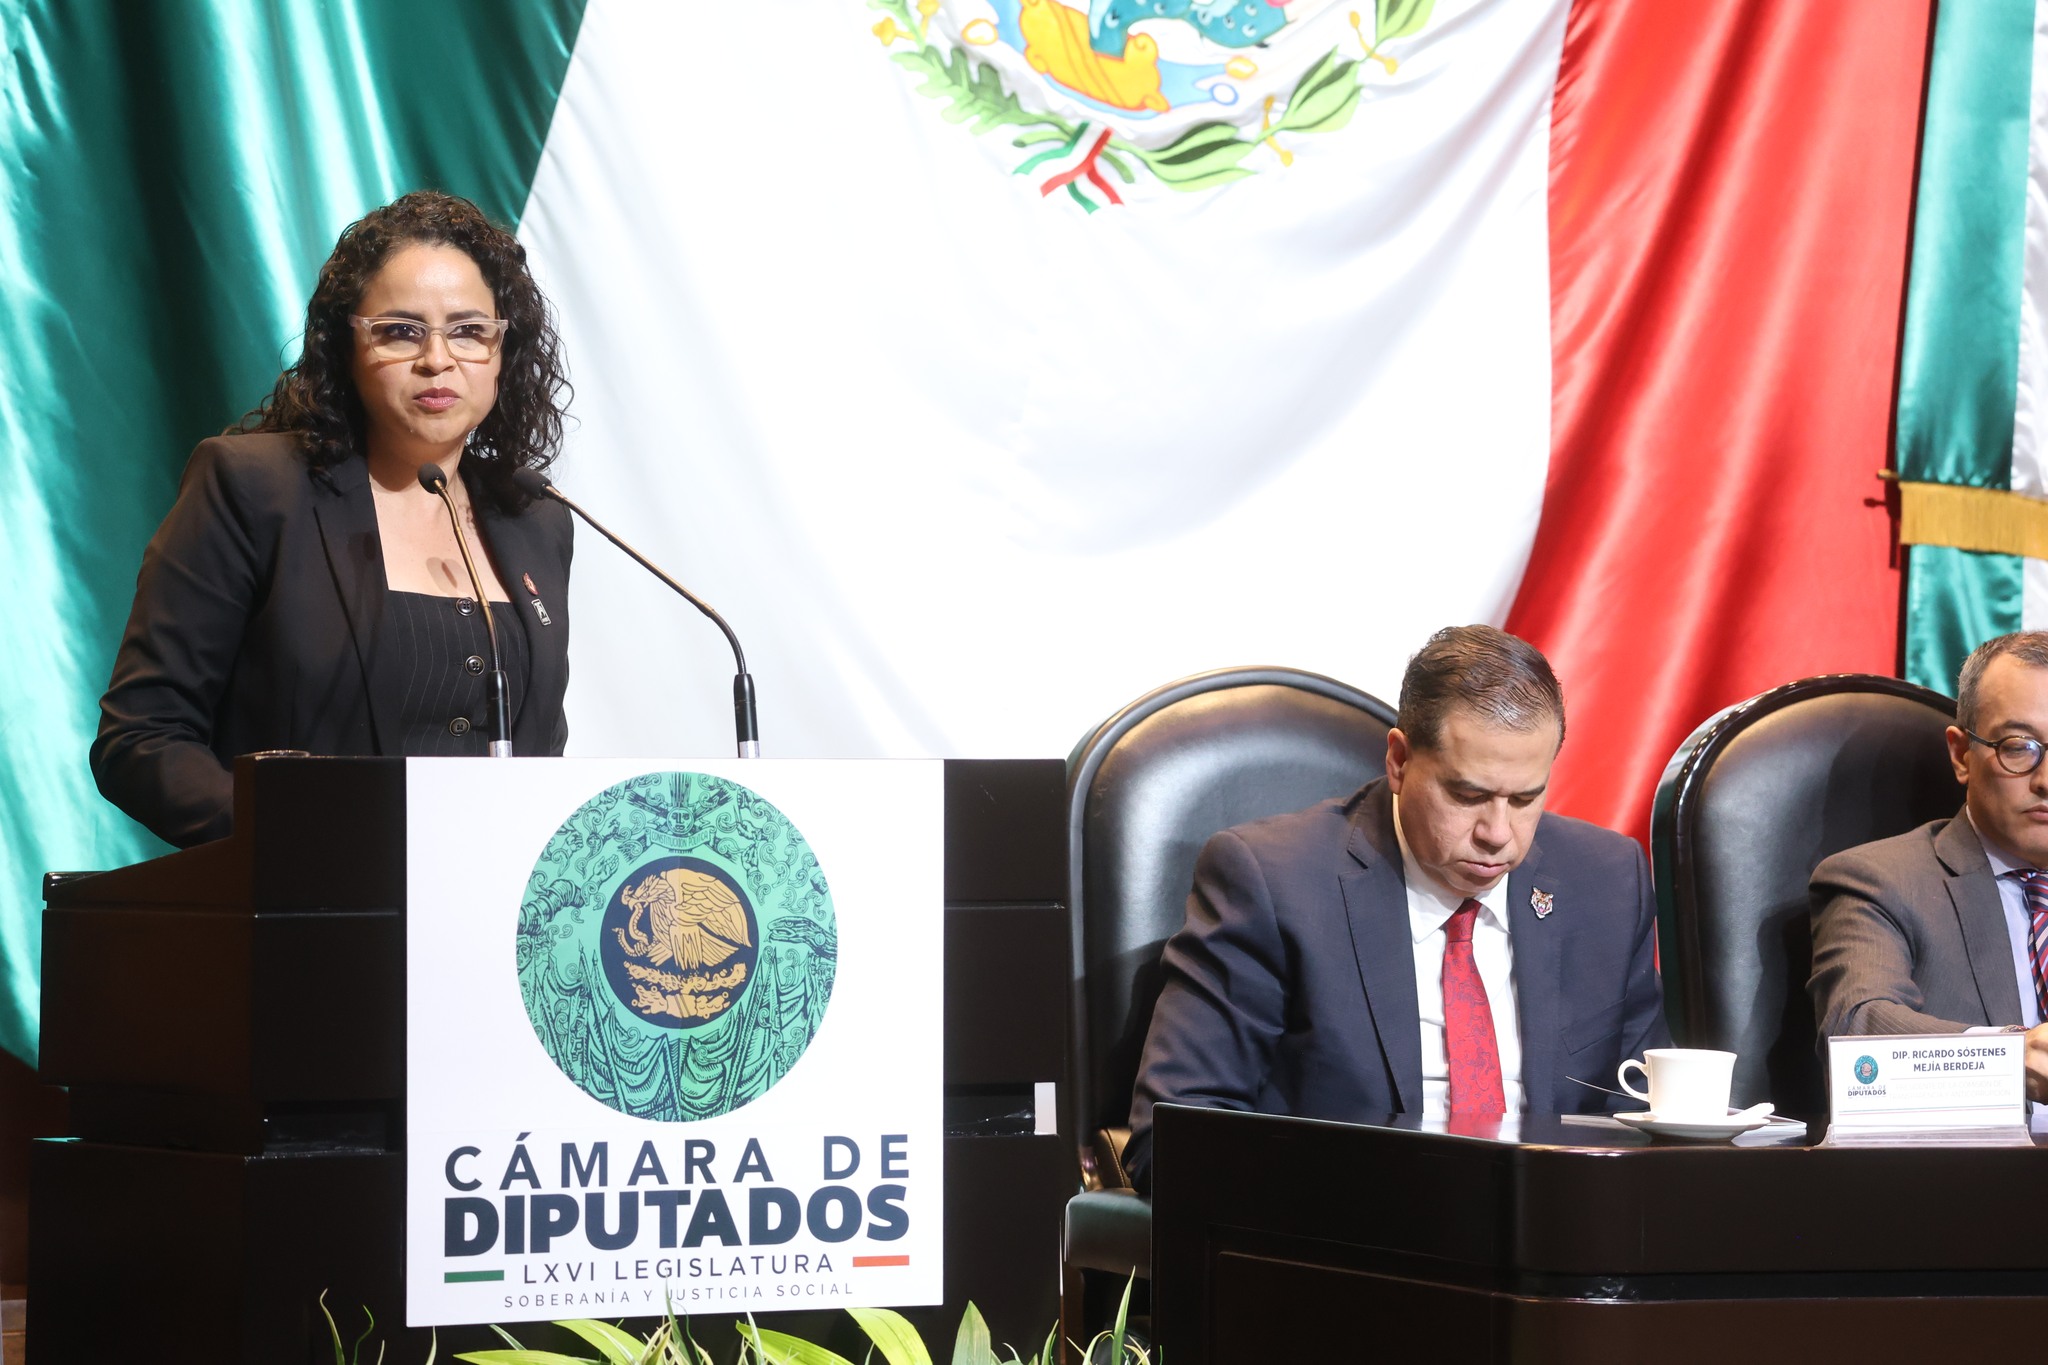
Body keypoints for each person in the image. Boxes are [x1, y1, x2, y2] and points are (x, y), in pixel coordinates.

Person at [92, 191, 574, 849]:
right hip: (306, 923)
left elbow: (541, 753)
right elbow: (142, 740)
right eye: (401, 330)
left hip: (486, 930)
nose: (438, 359)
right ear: (345, 345)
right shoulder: (257, 490)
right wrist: (301, 843)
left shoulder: (536, 518)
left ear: (501, 350)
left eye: (468, 330)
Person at [1125, 625, 1669, 1188]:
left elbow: (1653, 1116)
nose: (1498, 834)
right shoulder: (1273, 883)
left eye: (1525, 798)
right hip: (1355, 1240)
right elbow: (1171, 1142)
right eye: (1468, 795)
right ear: (1399, 761)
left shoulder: (1606, 882)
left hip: (1561, 1239)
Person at [1809, 632, 2048, 1102]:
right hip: (1983, 1172)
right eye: (2020, 747)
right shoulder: (1878, 883)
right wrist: (2008, 1057)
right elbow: (1855, 1030)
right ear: (1961, 754)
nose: (2046, 782)